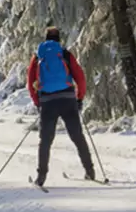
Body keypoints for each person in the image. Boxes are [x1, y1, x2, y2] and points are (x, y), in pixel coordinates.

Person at [27, 26, 94, 187]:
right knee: (77, 136)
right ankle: (90, 171)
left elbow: (30, 83)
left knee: (45, 141)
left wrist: (38, 102)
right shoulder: (64, 54)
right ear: (59, 39)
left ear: (45, 38)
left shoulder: (38, 56)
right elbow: (80, 77)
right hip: (67, 98)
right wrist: (79, 98)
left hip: (48, 101)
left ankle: (41, 177)